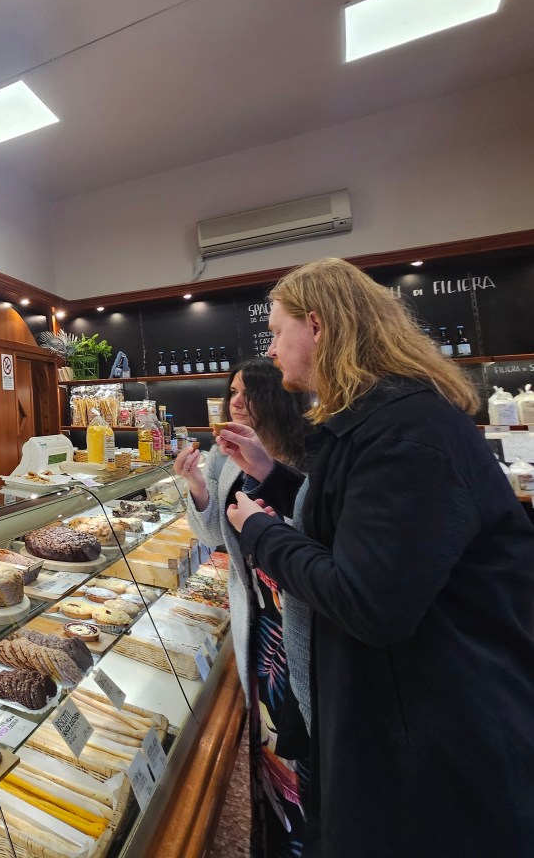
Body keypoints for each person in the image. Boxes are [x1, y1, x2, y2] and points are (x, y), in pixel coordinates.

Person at [220, 257, 534, 857]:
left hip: (432, 747)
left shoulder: (408, 433)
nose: (270, 344)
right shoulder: (380, 422)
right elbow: (353, 527)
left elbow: (368, 598)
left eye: (275, 327)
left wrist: (262, 533)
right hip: (401, 721)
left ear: (316, 326)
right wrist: (275, 480)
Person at [172, 359, 312, 858]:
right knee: (271, 740)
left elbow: (319, 545)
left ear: (276, 397)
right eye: (232, 391)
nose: (234, 401)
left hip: (302, 617)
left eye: (247, 393)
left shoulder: (309, 456)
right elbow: (215, 539)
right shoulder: (224, 455)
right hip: (258, 619)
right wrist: (199, 490)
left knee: (305, 741)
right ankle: (275, 838)